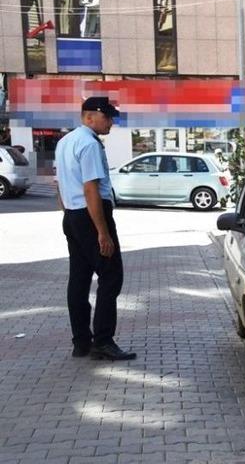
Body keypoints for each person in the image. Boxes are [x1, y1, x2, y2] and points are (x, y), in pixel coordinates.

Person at [55, 97, 136, 361]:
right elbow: (90, 188)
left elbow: (61, 183)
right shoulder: (89, 144)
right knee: (111, 276)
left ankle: (81, 343)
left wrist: (69, 215)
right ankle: (102, 341)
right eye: (108, 117)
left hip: (73, 216)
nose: (111, 122)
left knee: (78, 279)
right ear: (90, 117)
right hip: (91, 216)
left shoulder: (65, 142)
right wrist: (102, 231)